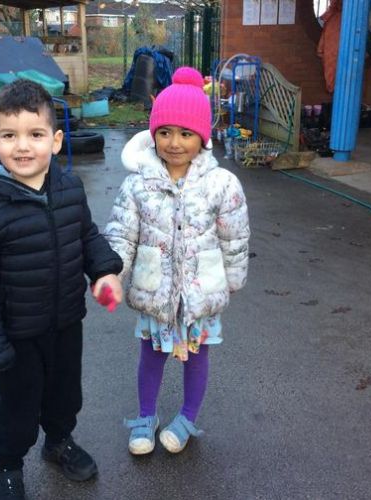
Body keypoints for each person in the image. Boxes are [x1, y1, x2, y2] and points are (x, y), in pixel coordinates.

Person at [0, 79, 123, 500]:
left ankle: (59, 442)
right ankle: (7, 465)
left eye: (35, 134)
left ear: (56, 140)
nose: (23, 146)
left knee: (65, 396)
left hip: (65, 323)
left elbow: (86, 236)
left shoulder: (68, 189)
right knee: (20, 409)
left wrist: (104, 271)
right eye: (10, 136)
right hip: (17, 336)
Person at [104, 67, 250, 456]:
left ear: (202, 136)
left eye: (186, 133)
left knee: (197, 358)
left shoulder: (222, 185)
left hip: (199, 295)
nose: (174, 143)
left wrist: (233, 278)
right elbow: (122, 234)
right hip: (156, 291)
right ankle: (145, 416)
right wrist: (112, 272)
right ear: (153, 133)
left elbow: (234, 236)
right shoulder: (138, 183)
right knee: (151, 355)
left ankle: (186, 417)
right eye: (165, 132)